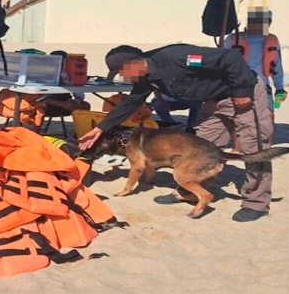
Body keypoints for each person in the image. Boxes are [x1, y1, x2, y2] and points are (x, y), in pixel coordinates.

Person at [78, 44, 274, 222]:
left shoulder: (177, 57)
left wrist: (241, 91)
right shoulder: (145, 78)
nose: (123, 77)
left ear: (135, 63)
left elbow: (230, 57)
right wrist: (100, 128)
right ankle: (190, 192)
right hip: (213, 101)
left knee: (254, 147)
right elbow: (131, 102)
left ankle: (256, 203)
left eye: (122, 72)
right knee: (200, 145)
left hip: (242, 95)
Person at [224, 7, 287, 114]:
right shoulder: (233, 39)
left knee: (267, 119)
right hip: (236, 87)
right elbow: (222, 63)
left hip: (263, 86)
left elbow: (276, 65)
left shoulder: (272, 40)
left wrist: (280, 88)